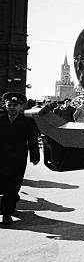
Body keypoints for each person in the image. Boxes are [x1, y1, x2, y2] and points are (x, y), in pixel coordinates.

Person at [0, 92, 40, 225]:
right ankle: (6, 208)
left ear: (20, 107)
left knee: (13, 186)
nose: (12, 107)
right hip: (1, 158)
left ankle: (6, 213)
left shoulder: (27, 121)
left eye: (15, 105)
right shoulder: (0, 119)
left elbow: (32, 140)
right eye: (9, 104)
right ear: (5, 105)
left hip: (18, 159)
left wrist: (35, 156)